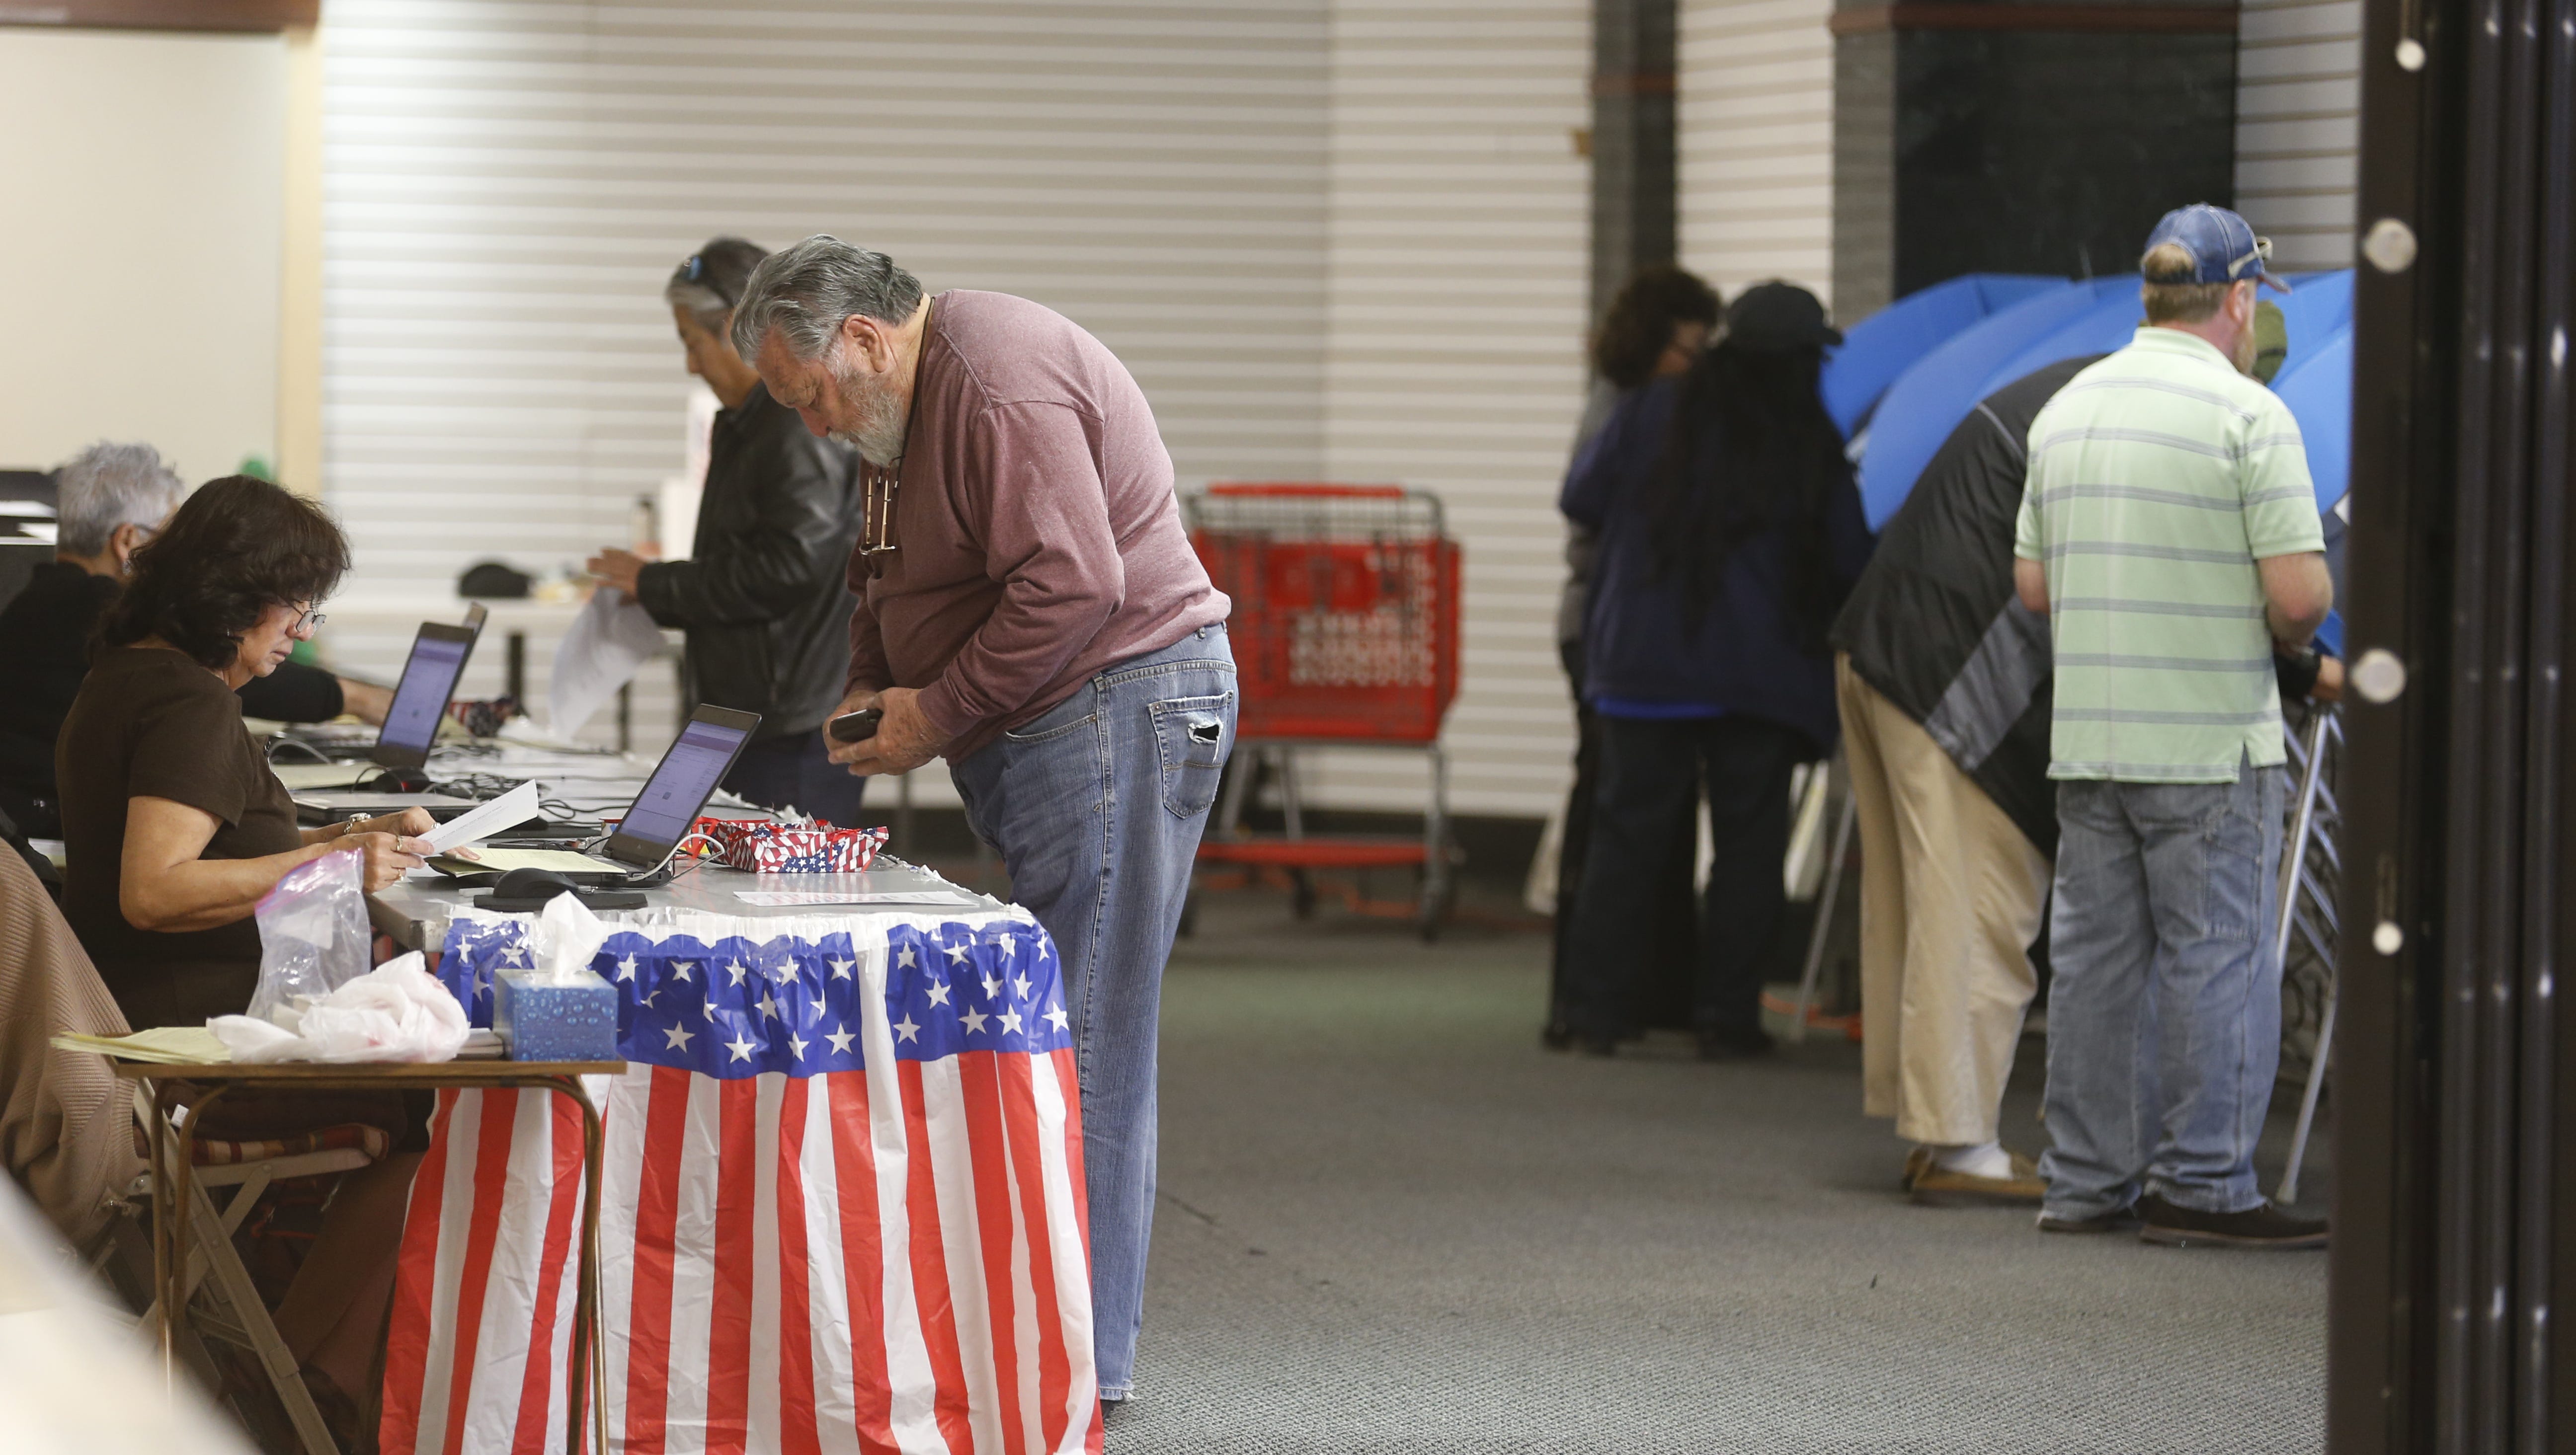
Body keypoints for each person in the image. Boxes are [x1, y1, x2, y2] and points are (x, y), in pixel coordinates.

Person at [727, 235, 1235, 1404]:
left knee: (1085, 1045)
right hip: (1049, 721)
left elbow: (1074, 583)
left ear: (860, 338)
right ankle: (1043, 1334)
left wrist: (935, 710)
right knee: (1050, 1037)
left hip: (1118, 704)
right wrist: (870, 684)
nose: (809, 426)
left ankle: (1080, 1370)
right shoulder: (892, 410)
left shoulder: (992, 377)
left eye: (809, 397)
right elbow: (881, 569)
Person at [2012, 204, 2333, 1248]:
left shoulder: (2067, 409)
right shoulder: (2251, 418)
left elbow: (2032, 588)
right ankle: (2201, 1185)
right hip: (2208, 742)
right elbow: (2297, 600)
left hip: (2092, 737)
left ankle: (2086, 1182)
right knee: (2215, 958)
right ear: (2240, 299)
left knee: (2098, 965)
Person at [1559, 282, 1873, 1060]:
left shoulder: (1652, 411)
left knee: (1627, 837)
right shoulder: (1807, 435)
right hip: (1759, 675)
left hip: (1644, 666)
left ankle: (1594, 1013)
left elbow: (1582, 496)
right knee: (1749, 846)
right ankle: (1727, 1017)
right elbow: (1848, 559)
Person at [55, 475, 434, 1029]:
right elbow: (153, 892)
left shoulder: (127, 672)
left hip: (140, 1000)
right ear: (233, 593)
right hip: (196, 1022)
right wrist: (338, 863)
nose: (302, 632)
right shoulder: (189, 702)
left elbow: (217, 851)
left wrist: (343, 837)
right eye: (296, 606)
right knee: (446, 1042)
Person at [585, 238, 868, 826]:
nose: (691, 364)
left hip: (787, 726)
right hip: (754, 714)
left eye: (692, 343)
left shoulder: (791, 427)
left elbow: (792, 565)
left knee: (787, 906)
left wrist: (659, 584)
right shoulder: (750, 422)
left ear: (737, 329)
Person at [0, 444, 392, 838]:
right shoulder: (167, 675)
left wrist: (344, 840)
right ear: (128, 542)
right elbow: (156, 889)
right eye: (169, 538)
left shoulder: (33, 602)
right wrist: (359, 699)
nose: (179, 560)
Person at [1545, 265, 1722, 1049]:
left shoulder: (1625, 400)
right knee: (1615, 811)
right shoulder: (1630, 409)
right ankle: (1593, 999)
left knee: (1620, 808)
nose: (1700, 363)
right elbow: (1586, 508)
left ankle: (1617, 993)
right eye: (1691, 348)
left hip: (1603, 627)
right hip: (1607, 628)